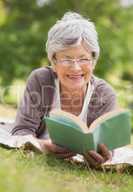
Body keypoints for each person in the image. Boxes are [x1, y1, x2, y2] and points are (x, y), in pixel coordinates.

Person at [11, 12, 117, 168]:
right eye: (67, 59)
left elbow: (108, 147)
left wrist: (101, 155)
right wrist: (44, 146)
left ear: (93, 61)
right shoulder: (41, 80)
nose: (75, 67)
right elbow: (21, 130)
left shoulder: (105, 94)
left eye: (83, 58)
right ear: (54, 60)